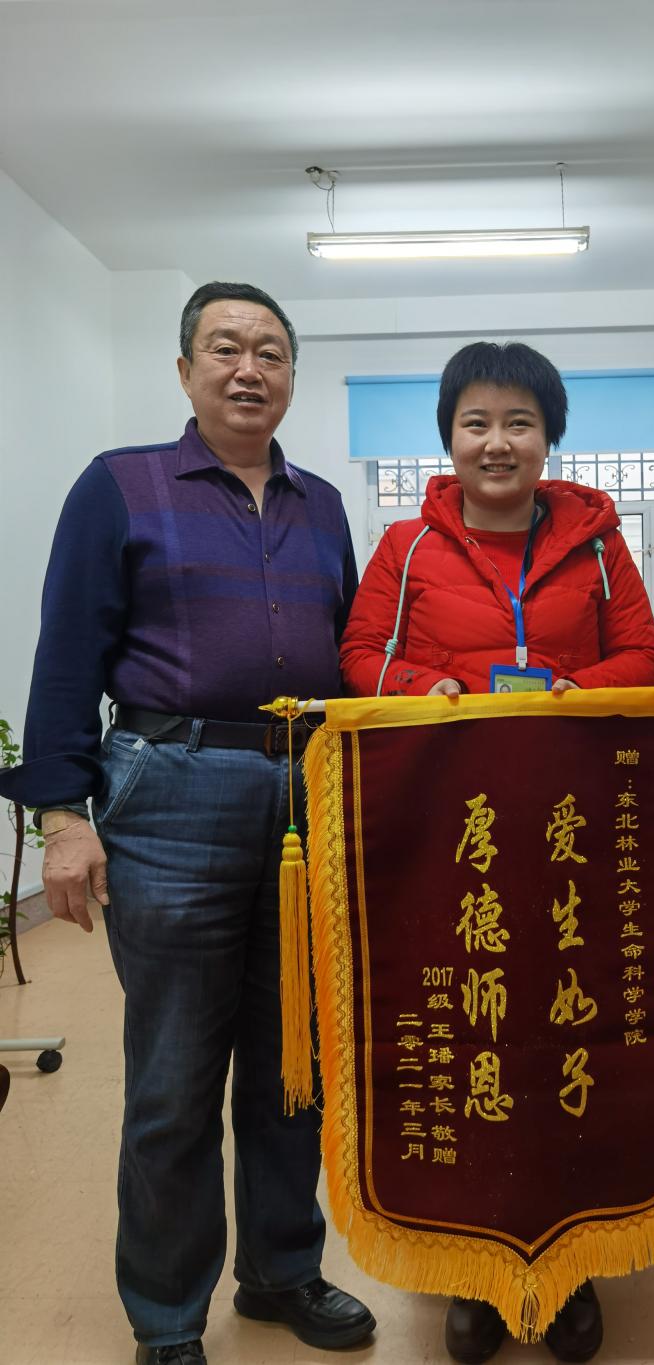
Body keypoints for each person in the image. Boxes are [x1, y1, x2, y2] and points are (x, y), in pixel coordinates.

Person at [0, 283, 375, 1365]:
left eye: (270, 351)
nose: (248, 368)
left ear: (291, 377)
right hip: (168, 793)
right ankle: (167, 1320)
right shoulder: (120, 486)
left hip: (303, 796)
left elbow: (353, 658)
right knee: (173, 1081)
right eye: (225, 348)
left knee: (293, 1065)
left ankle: (282, 1273)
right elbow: (64, 657)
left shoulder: (322, 506)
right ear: (184, 371)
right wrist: (64, 818)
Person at [341, 340, 654, 1362]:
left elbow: (644, 655)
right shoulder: (406, 546)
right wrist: (420, 686)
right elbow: (361, 654)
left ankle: (571, 1265)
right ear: (448, 437)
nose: (497, 441)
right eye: (475, 421)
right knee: (471, 1033)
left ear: (548, 436)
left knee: (570, 1030)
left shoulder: (600, 545)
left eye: (518, 422)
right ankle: (473, 1269)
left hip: (571, 837)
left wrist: (580, 687)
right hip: (451, 837)